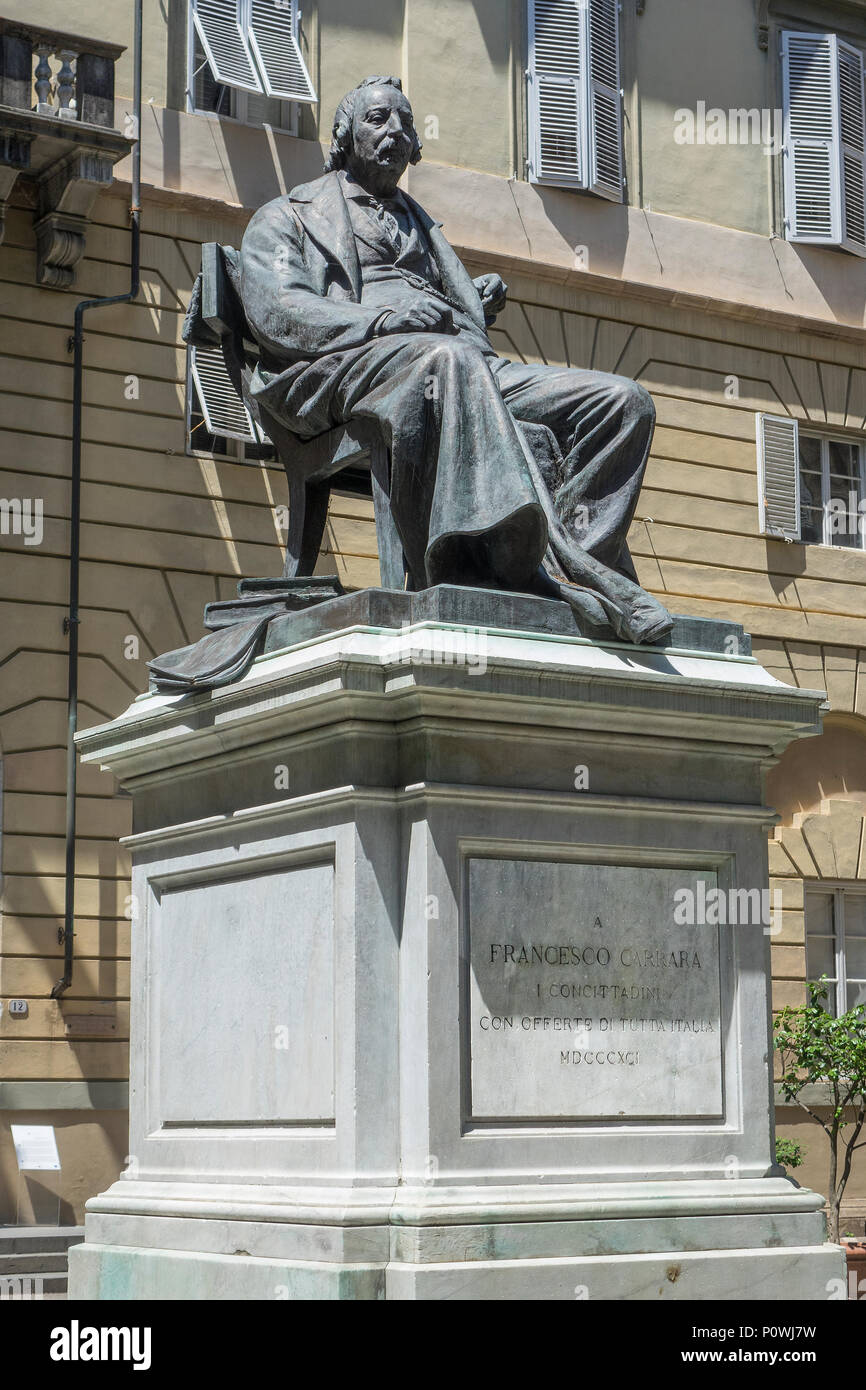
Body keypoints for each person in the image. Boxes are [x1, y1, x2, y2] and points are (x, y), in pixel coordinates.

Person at [239, 75, 673, 645]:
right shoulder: (286, 216)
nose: (395, 130)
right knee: (446, 360)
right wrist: (380, 320)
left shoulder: (421, 223)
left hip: (460, 365)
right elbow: (279, 310)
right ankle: (547, 571)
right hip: (345, 367)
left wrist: (468, 301)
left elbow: (448, 325)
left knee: (622, 403)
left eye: (405, 122)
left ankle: (571, 564)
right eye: (378, 119)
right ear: (344, 132)